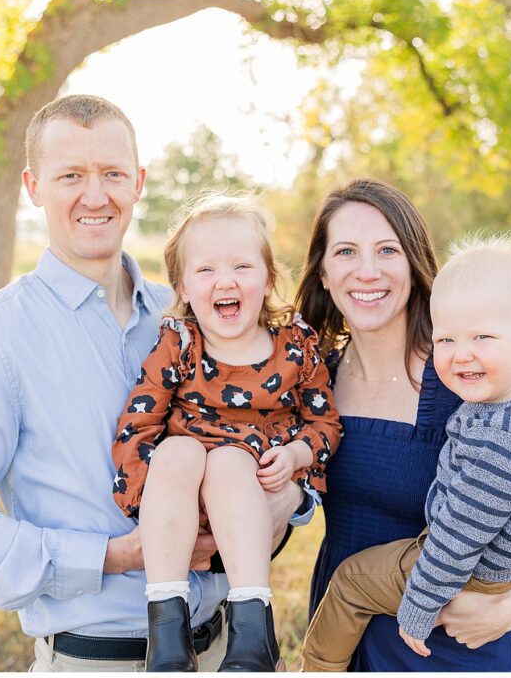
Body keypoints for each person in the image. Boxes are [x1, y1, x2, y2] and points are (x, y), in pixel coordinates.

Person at [0, 95, 310, 672]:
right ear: (33, 186)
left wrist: (286, 501)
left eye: (113, 174)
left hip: (228, 649)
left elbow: (277, 424)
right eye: (71, 175)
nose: (95, 197)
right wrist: (114, 556)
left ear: (139, 182)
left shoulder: (193, 317)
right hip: (99, 661)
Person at [296, 178, 511, 671]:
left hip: (454, 645)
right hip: (348, 633)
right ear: (322, 271)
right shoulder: (314, 382)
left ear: (414, 264)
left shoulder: (467, 381)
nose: (367, 271)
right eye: (345, 251)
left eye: (388, 249)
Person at [110, 192, 341, 671]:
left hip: (252, 504)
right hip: (179, 505)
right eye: (207, 270)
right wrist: (143, 507)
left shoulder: (295, 346)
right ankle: (167, 633)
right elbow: (138, 422)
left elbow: (325, 423)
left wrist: (298, 457)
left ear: (268, 278)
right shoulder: (180, 343)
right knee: (177, 452)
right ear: (183, 287)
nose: (225, 281)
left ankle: (253, 632)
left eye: (242, 266)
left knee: (230, 460)